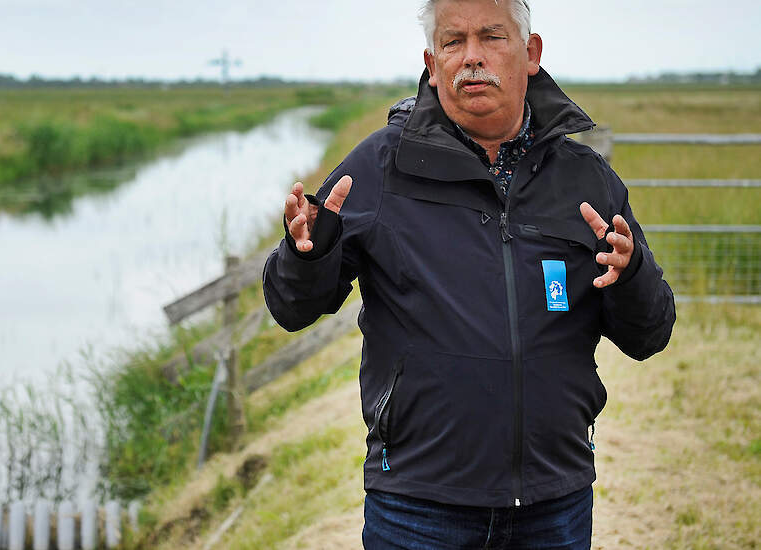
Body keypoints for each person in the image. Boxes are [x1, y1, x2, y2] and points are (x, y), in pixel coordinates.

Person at [261, 0, 676, 548]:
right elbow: (291, 308)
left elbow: (649, 335)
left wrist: (631, 274)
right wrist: (307, 256)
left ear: (531, 53)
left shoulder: (586, 180)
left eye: (491, 37)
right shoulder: (381, 168)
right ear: (432, 64)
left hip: (555, 503)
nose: (472, 58)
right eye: (453, 42)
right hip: (418, 505)